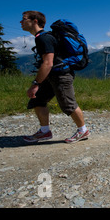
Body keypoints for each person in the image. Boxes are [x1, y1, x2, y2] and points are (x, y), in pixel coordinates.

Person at [20, 11, 90, 143]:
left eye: (24, 19)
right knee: (38, 101)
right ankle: (45, 132)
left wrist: (35, 84)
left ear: (35, 21)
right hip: (52, 74)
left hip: (61, 75)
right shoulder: (43, 37)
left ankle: (83, 131)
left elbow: (48, 63)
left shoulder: (43, 38)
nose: (21, 22)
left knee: (68, 104)